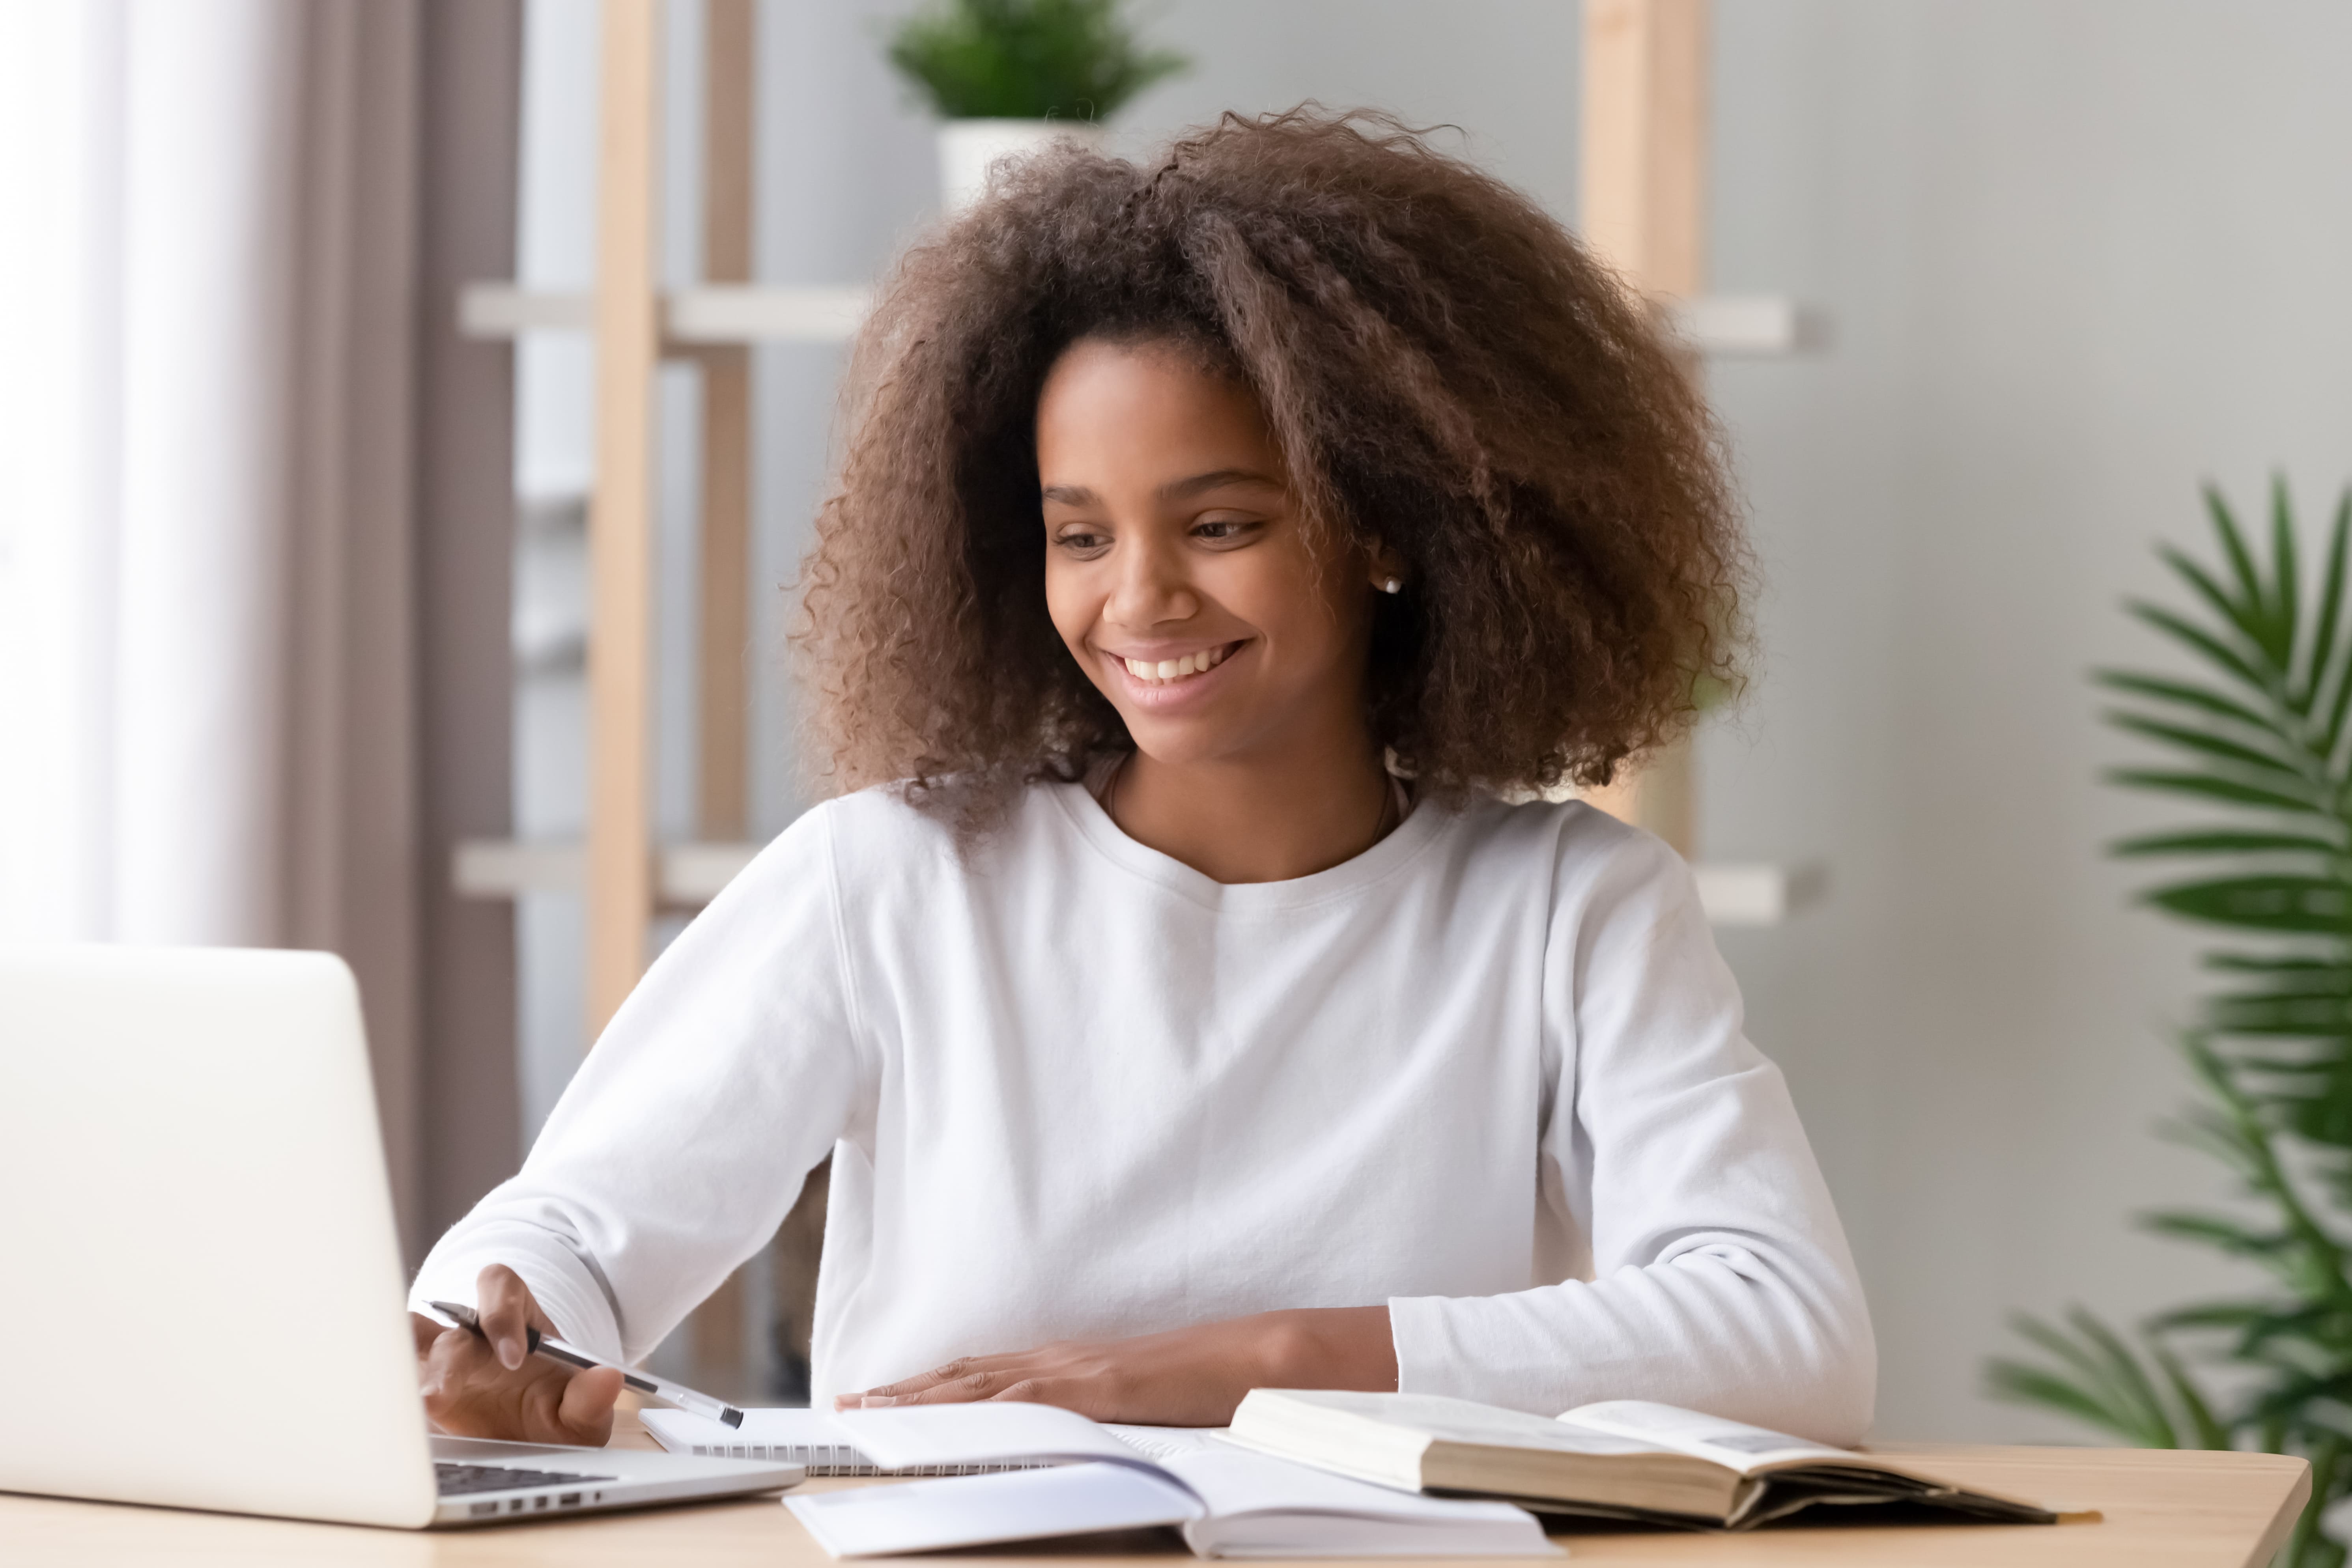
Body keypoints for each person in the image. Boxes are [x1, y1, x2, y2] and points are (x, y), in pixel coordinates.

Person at [408, 108, 1874, 1449]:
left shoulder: (1567, 907)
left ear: (1388, 529)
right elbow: (567, 1243)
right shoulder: (894, 877)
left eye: (1221, 523)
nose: (1141, 600)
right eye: (1081, 535)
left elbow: (1788, 1335)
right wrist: (494, 1333)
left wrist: (1248, 1361)